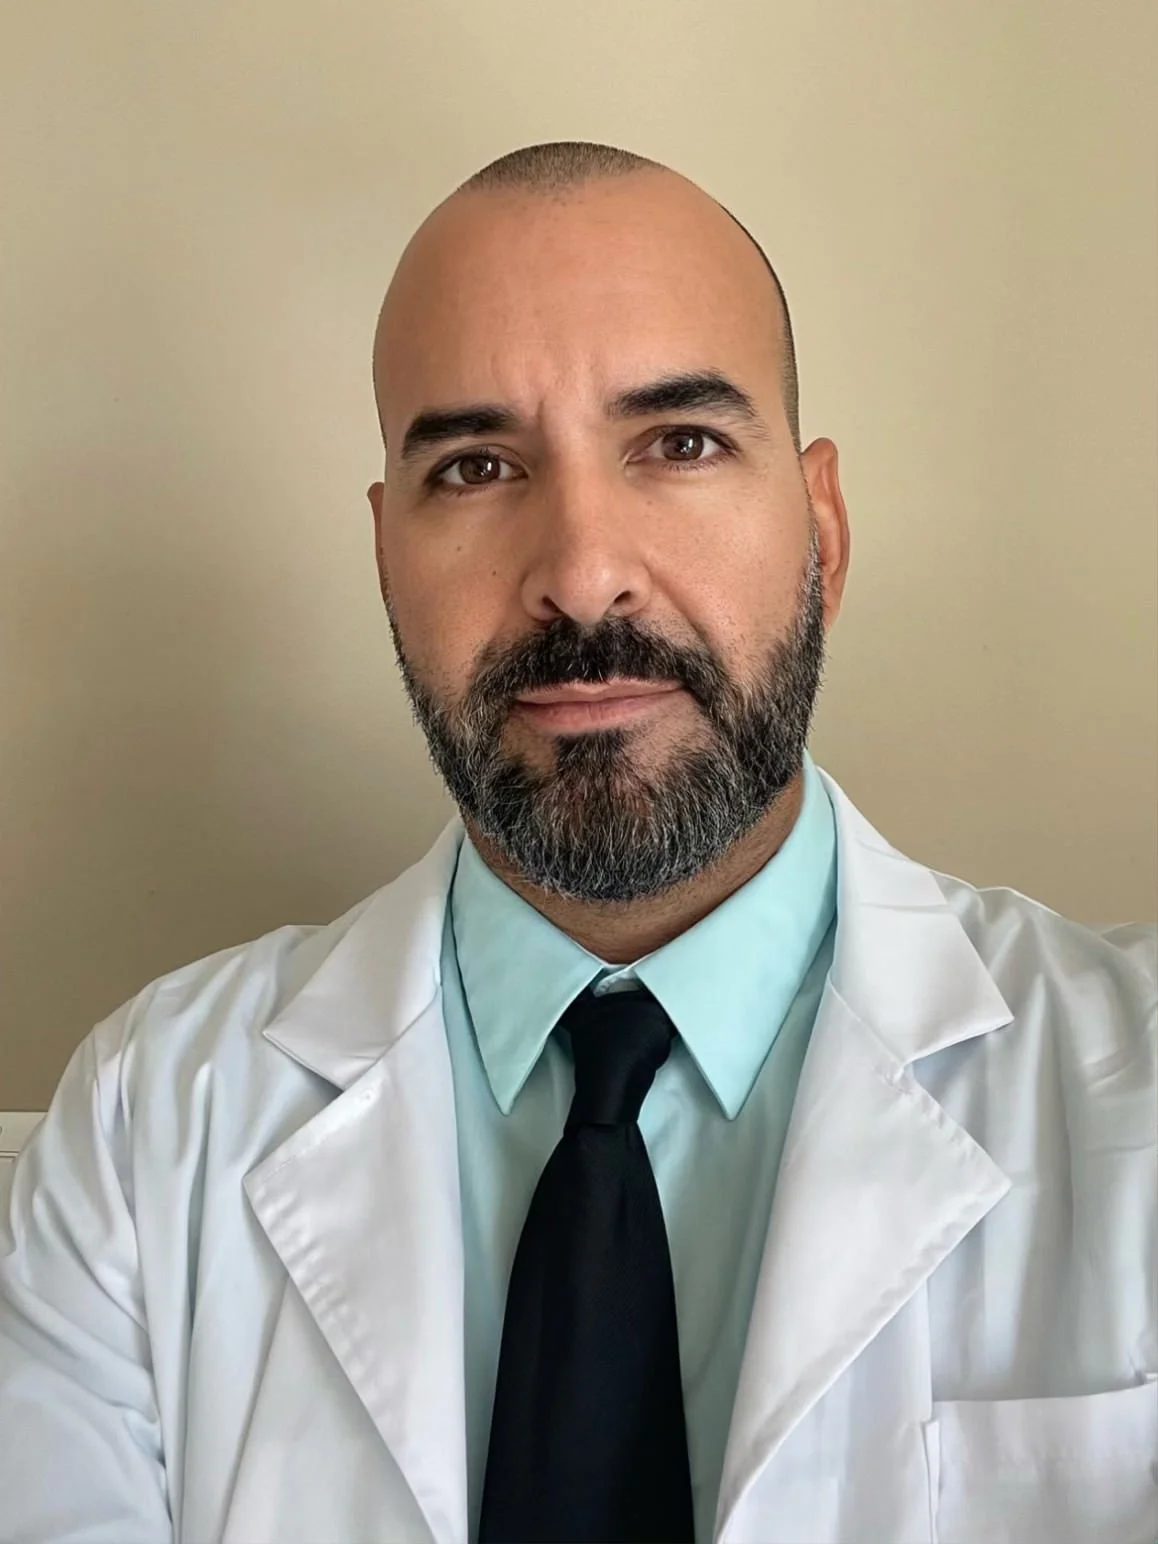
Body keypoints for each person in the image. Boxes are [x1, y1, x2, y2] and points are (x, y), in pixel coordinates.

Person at [1, 139, 1154, 1544]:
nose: (578, 569)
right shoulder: (140, 1132)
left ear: (823, 534)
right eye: (477, 466)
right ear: (385, 559)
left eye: (678, 443)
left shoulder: (1129, 1089)